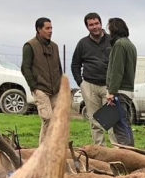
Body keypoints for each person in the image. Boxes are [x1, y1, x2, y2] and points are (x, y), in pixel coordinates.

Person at [71, 12, 113, 146]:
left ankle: (118, 153)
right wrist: (81, 83)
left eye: (96, 23)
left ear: (101, 24)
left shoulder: (111, 40)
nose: (95, 27)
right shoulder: (83, 43)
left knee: (111, 122)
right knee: (95, 122)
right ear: (87, 27)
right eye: (91, 25)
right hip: (90, 85)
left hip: (108, 86)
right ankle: (101, 153)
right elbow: (75, 64)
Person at [21, 17, 63, 144]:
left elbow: (59, 67)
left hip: (55, 89)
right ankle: (44, 149)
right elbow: (25, 67)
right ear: (39, 29)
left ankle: (49, 147)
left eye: (51, 28)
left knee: (55, 120)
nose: (50, 31)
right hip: (40, 89)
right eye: (47, 28)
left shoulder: (54, 47)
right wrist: (33, 87)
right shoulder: (30, 46)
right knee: (48, 119)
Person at [105, 17, 137, 148]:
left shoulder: (119, 44)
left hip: (120, 92)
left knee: (120, 127)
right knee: (125, 125)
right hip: (128, 91)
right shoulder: (130, 44)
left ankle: (127, 155)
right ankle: (132, 152)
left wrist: (112, 92)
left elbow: (117, 70)